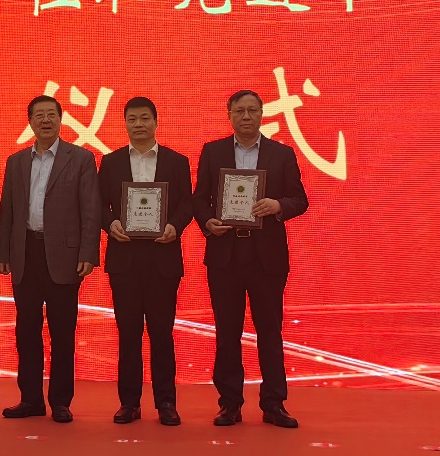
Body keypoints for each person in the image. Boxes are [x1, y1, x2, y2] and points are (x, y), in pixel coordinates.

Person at [192, 90, 309, 428]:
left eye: (252, 110)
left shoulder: (281, 153)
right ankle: (229, 403)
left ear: (262, 114)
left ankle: (274, 403)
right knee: (227, 331)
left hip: (266, 256)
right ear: (229, 115)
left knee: (269, 330)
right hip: (225, 254)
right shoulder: (213, 152)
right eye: (239, 111)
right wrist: (208, 222)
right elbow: (198, 199)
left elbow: (300, 199)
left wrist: (278, 205)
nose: (246, 116)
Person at [0, 95, 100, 423]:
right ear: (30, 122)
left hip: (64, 256)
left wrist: (88, 253)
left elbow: (91, 210)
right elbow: (8, 210)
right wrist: (3, 252)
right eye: (38, 115)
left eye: (51, 114)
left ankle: (61, 401)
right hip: (25, 253)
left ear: (60, 119)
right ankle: (30, 399)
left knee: (62, 333)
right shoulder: (16, 162)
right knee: (26, 331)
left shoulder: (80, 158)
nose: (45, 120)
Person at [97, 97, 193, 426]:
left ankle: (166, 403)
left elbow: (187, 203)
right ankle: (129, 403)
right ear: (125, 123)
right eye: (132, 119)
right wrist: (110, 223)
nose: (139, 124)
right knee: (128, 334)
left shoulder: (176, 161)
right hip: (124, 259)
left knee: (162, 334)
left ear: (156, 122)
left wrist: (175, 226)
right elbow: (99, 204)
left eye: (145, 118)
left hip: (163, 259)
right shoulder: (110, 162)